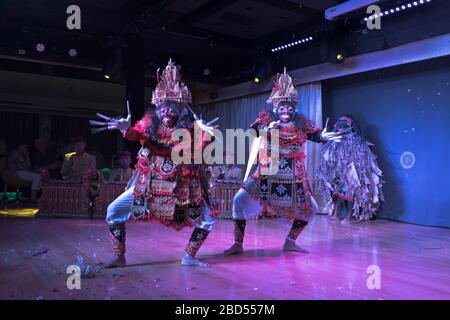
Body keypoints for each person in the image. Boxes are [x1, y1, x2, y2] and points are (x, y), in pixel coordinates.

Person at [90, 59, 219, 268]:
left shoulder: (192, 127)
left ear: (180, 108)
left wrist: (204, 132)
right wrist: (125, 129)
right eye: (163, 108)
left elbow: (201, 146)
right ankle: (119, 256)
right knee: (113, 212)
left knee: (209, 217)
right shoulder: (149, 124)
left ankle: (189, 256)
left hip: (182, 185)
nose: (167, 112)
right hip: (149, 182)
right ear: (157, 109)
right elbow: (135, 135)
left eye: (172, 108)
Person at [225, 68, 344, 255]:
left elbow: (315, 134)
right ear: (276, 108)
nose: (286, 111)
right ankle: (238, 243)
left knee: (311, 209)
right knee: (239, 200)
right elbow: (253, 131)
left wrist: (324, 136)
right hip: (266, 174)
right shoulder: (267, 119)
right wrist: (267, 127)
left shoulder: (301, 122)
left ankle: (290, 241)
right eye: (282, 108)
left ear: (294, 108)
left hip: (293, 178)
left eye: (289, 108)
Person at [316, 116, 384, 222]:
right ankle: (335, 213)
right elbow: (328, 157)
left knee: (351, 192)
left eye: (344, 126)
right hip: (337, 172)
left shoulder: (356, 141)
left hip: (351, 174)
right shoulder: (335, 141)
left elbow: (362, 157)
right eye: (339, 126)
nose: (341, 129)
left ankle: (349, 215)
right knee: (336, 193)